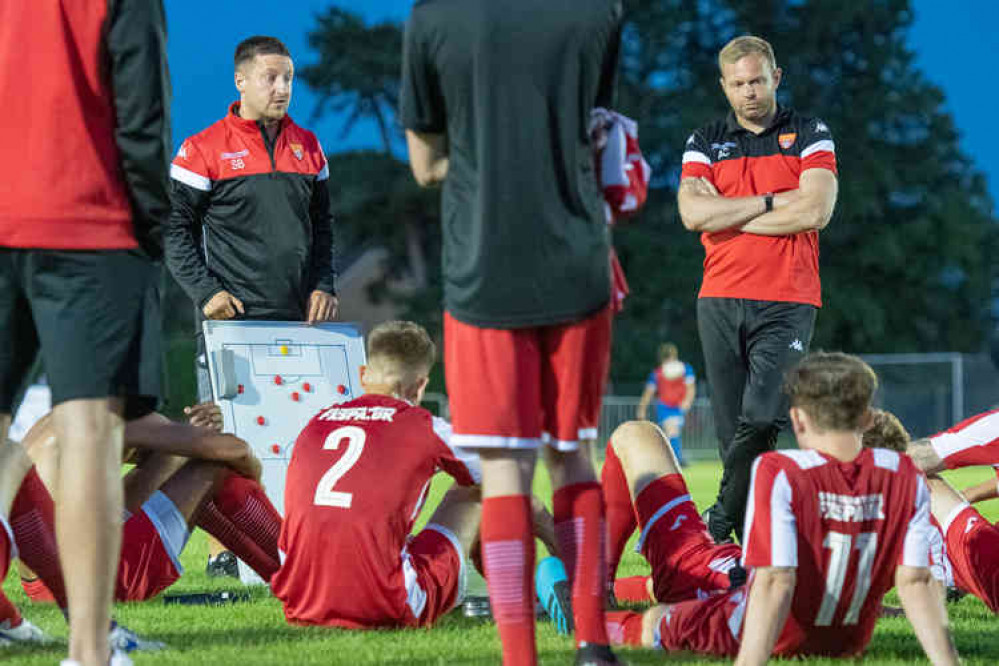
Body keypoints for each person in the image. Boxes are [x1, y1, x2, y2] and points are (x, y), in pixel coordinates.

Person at [400, 3, 623, 664]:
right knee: (573, 454)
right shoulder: (598, 12)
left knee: (503, 473)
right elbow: (598, 128)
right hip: (577, 260)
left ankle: (519, 658)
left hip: (482, 266)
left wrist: (479, 162)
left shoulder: (432, 18)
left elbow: (424, 164)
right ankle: (592, 641)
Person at [0, 2, 171, 664]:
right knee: (89, 434)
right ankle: (89, 653)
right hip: (85, 223)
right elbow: (142, 113)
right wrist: (151, 230)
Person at [602, 352, 958, 665]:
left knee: (636, 433)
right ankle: (599, 588)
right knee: (677, 586)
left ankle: (589, 605)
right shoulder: (905, 475)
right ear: (867, 418)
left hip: (750, 610)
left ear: (798, 419)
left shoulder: (782, 470)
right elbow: (915, 579)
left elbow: (775, 580)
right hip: (847, 639)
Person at [165, 34, 338, 576]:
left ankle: (298, 546)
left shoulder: (310, 146)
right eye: (270, 77)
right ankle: (222, 558)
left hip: (299, 320)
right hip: (230, 324)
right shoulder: (202, 148)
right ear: (241, 81)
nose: (282, 87)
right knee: (225, 441)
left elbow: (325, 230)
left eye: (288, 77)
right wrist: (206, 292)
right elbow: (174, 232)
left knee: (299, 439)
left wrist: (325, 284)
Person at [677, 35, 840, 544]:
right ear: (725, 86)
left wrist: (730, 212)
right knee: (733, 431)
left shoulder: (810, 132)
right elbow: (691, 214)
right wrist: (774, 202)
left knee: (764, 414)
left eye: (758, 80)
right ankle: (749, 544)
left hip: (789, 297)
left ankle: (719, 523)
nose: (750, 91)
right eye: (739, 83)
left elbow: (816, 210)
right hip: (720, 297)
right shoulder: (704, 140)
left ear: (776, 77)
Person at [271, 321, 484, 628]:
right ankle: (501, 596)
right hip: (388, 604)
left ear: (362, 375)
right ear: (421, 385)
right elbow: (502, 480)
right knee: (476, 489)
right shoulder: (424, 426)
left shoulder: (315, 423)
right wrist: (554, 540)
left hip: (301, 604)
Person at [16, 404, 280, 605]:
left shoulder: (61, 417)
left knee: (179, 457)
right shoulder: (112, 414)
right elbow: (236, 450)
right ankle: (293, 572)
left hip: (41, 584)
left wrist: (195, 433)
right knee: (213, 466)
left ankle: (285, 572)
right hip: (91, 585)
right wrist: (254, 480)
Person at [636, 343, 696, 465]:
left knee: (672, 432)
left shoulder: (685, 369)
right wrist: (641, 409)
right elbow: (649, 392)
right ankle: (677, 459)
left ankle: (671, 458)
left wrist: (688, 401)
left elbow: (691, 388)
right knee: (672, 431)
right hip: (665, 406)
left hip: (678, 406)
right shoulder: (657, 373)